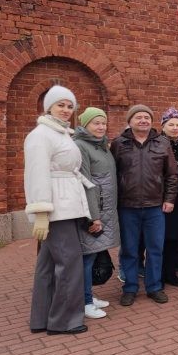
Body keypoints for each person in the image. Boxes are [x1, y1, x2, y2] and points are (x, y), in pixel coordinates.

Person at [25, 85, 92, 335]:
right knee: (69, 263)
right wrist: (41, 212)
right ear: (48, 106)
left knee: (48, 265)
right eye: (61, 105)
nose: (66, 110)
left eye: (70, 106)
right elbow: (37, 175)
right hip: (57, 209)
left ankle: (42, 317)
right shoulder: (41, 135)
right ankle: (65, 320)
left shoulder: (61, 134)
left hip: (67, 204)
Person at [112, 104, 178, 306]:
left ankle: (154, 287)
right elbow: (112, 175)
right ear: (130, 121)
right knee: (130, 249)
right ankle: (130, 287)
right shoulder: (119, 143)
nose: (143, 120)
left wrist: (169, 199)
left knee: (155, 248)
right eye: (138, 117)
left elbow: (172, 174)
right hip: (127, 206)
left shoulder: (162, 143)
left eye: (147, 117)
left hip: (155, 206)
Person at [73, 106, 121, 320]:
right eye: (96, 123)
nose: (101, 127)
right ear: (85, 124)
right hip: (94, 213)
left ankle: (89, 295)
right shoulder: (81, 146)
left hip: (105, 210)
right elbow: (86, 184)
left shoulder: (101, 146)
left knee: (91, 255)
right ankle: (84, 302)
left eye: (103, 123)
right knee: (87, 258)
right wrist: (93, 217)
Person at [160, 107, 178, 287]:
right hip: (163, 197)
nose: (175, 127)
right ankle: (159, 274)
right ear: (163, 126)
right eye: (171, 124)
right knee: (161, 238)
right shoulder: (159, 144)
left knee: (175, 237)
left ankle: (171, 272)